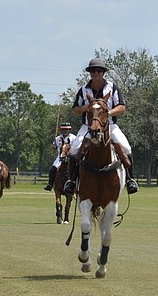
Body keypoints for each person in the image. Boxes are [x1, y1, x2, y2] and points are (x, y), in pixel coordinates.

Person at [63, 57, 139, 195]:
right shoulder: (83, 89)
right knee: (74, 150)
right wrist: (88, 108)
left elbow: (121, 107)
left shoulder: (112, 87)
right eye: (93, 70)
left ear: (103, 72)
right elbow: (75, 109)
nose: (96, 73)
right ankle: (72, 181)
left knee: (126, 147)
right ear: (90, 73)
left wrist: (107, 112)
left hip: (109, 125)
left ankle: (130, 180)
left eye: (99, 70)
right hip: (88, 126)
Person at [45, 123, 76, 191]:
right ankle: (50, 184)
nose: (65, 131)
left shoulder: (74, 138)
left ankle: (75, 185)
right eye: (64, 129)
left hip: (70, 158)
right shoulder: (58, 138)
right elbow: (54, 147)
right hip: (59, 158)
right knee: (52, 169)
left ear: (69, 130)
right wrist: (53, 146)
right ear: (61, 130)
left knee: (76, 170)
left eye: (67, 129)